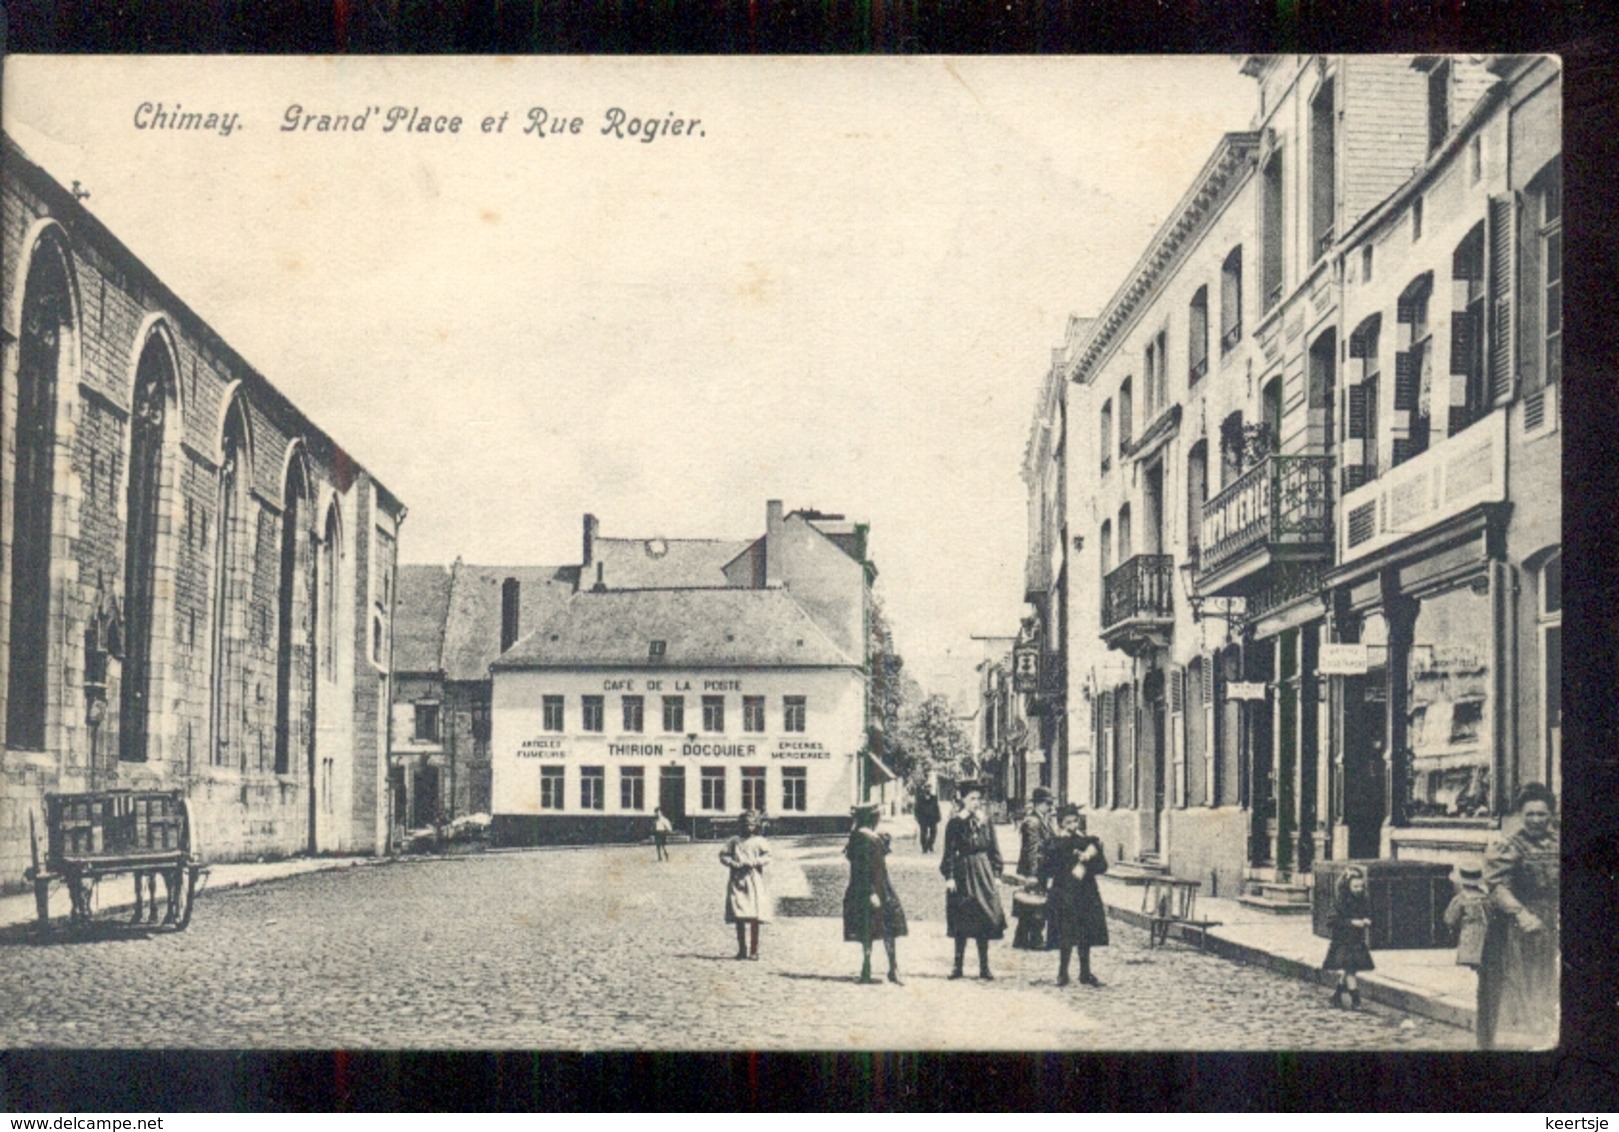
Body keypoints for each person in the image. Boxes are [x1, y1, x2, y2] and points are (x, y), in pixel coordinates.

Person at [1478, 783, 1560, 1049]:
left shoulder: (1559, 843)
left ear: (1551, 816)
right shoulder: (1507, 846)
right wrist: (1522, 914)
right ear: (1521, 816)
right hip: (1521, 928)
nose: (1536, 820)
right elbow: (1497, 887)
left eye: (1542, 814)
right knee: (1524, 987)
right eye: (1530, 815)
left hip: (1554, 921)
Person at [939, 780, 1007, 979]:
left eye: (978, 799)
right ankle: (957, 966)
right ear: (963, 799)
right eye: (972, 799)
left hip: (983, 871)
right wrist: (949, 876)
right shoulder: (955, 823)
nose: (976, 802)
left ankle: (984, 968)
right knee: (962, 918)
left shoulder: (985, 821)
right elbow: (949, 852)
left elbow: (994, 848)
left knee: (984, 918)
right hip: (963, 872)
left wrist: (997, 873)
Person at [1039, 805, 1109, 986]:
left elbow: (1102, 867)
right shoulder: (1054, 843)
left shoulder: (1087, 842)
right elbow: (1046, 868)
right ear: (1061, 824)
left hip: (1085, 893)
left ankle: (1085, 973)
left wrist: (1089, 857)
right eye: (1068, 822)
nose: (1072, 825)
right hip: (1064, 893)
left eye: (1075, 821)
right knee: (1065, 933)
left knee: (1085, 933)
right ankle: (1062, 973)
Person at [842, 802, 908, 984]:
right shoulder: (861, 838)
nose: (879, 818)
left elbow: (879, 857)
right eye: (877, 815)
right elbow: (861, 868)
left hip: (882, 886)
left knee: (888, 926)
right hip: (867, 889)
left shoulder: (869, 836)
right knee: (868, 929)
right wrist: (871, 892)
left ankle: (893, 968)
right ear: (871, 818)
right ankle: (866, 968)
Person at [719, 810, 772, 960]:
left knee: (754, 915)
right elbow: (723, 855)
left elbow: (767, 856)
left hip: (753, 880)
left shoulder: (760, 841)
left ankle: (754, 950)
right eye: (745, 824)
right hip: (737, 880)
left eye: (751, 825)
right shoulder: (734, 841)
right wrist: (733, 863)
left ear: (755, 826)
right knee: (739, 915)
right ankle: (742, 949)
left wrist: (755, 862)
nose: (748, 827)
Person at [1322, 866, 1374, 1008]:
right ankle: (1356, 1001)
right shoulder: (1340, 902)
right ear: (1347, 886)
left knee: (1350, 969)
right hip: (1343, 940)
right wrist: (1352, 922)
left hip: (1357, 940)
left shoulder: (1362, 900)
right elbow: (1331, 920)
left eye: (1361, 886)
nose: (1359, 889)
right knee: (1350, 969)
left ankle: (1337, 996)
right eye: (1355, 886)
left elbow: (1368, 912)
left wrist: (1367, 919)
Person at [1012, 786, 1057, 950]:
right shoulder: (1032, 822)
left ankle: (1021, 938)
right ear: (1039, 804)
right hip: (1036, 869)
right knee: (1036, 903)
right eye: (1048, 803)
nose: (1050, 807)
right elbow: (1031, 849)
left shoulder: (1042, 820)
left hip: (1041, 868)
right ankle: (1036, 939)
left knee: (1029, 903)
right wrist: (1032, 873)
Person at [914, 785, 942, 854]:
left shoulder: (934, 798)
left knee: (934, 832)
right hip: (923, 818)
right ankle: (924, 847)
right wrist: (917, 818)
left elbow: (936, 808)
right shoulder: (920, 798)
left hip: (932, 818)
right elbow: (916, 809)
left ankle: (930, 844)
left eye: (929, 788)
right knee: (923, 833)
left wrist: (939, 816)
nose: (928, 789)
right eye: (927, 788)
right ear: (924, 789)